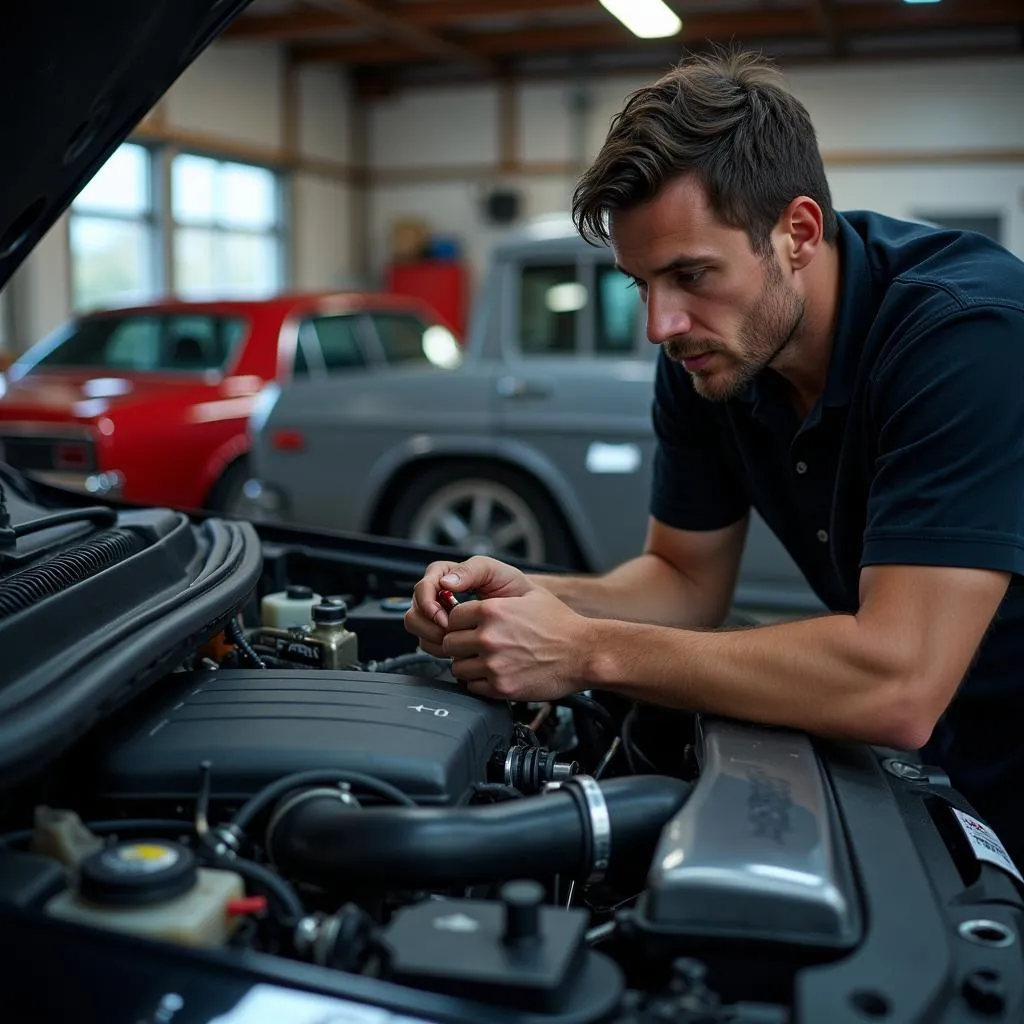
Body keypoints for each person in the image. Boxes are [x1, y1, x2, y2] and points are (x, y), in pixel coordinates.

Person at [404, 50, 1024, 863]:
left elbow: (897, 680)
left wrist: (587, 649)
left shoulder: (964, 337)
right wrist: (532, 602)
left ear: (797, 232)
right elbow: (684, 582)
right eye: (642, 284)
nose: (662, 323)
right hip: (934, 771)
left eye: (692, 274)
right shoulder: (714, 359)